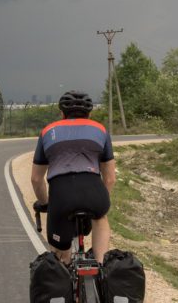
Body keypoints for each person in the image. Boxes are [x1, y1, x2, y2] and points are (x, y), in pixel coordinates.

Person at [30, 91, 116, 267]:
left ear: (62, 114)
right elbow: (110, 178)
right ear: (89, 115)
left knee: (61, 258)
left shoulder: (47, 131)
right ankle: (101, 267)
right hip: (94, 190)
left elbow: (36, 179)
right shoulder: (100, 130)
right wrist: (101, 201)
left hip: (61, 194)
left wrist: (45, 203)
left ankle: (66, 266)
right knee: (101, 218)